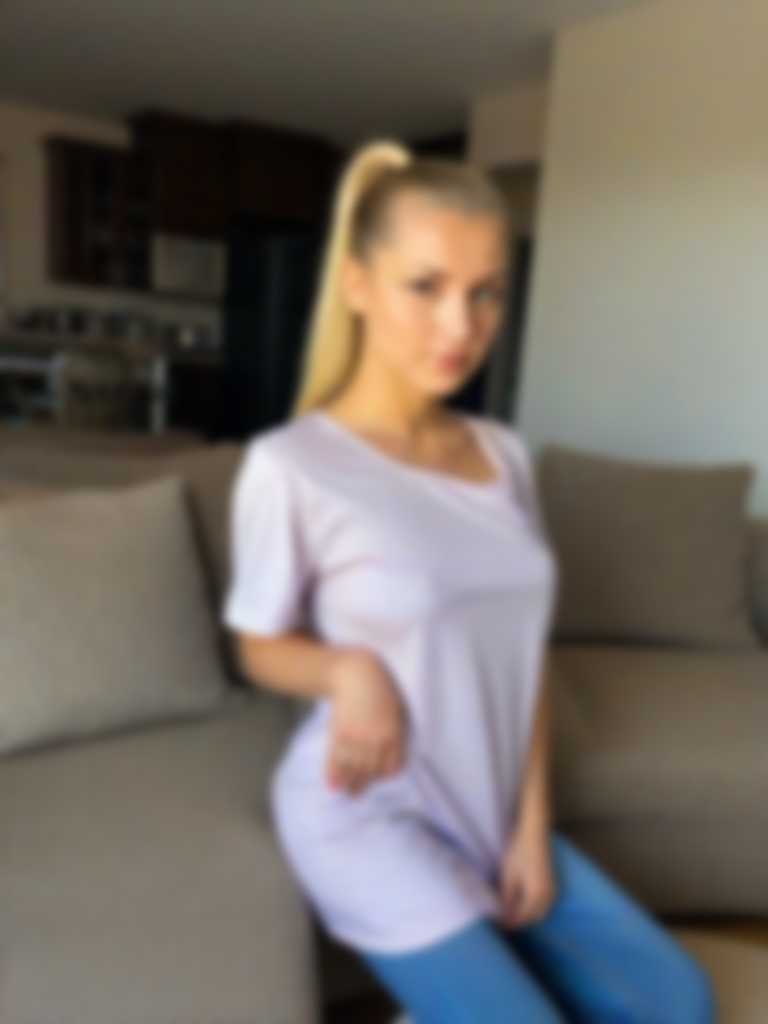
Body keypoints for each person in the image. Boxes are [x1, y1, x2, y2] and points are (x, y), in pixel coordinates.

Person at [221, 139, 716, 1023]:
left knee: (677, 1003)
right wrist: (346, 669)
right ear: (357, 284)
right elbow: (256, 646)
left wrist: (528, 828)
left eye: (486, 292)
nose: (461, 327)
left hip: (489, 808)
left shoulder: (502, 455)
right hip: (365, 816)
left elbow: (523, 662)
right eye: (426, 286)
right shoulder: (292, 466)